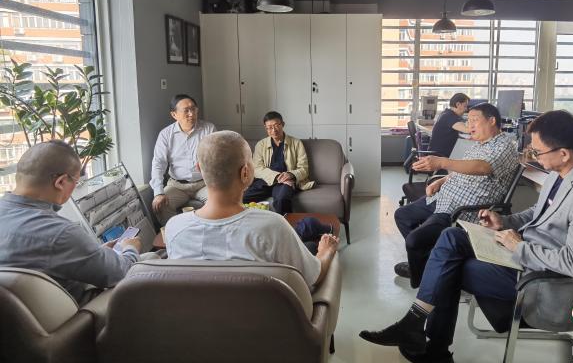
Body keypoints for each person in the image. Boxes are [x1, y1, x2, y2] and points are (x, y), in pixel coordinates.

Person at [360, 110, 573, 363]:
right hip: (524, 255)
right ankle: (415, 325)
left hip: (543, 281)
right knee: (452, 237)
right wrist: (504, 221)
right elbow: (537, 212)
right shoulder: (560, 173)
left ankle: (430, 343)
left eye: (537, 152)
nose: (533, 157)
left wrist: (518, 247)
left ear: (563, 153)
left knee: (449, 268)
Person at [165, 131, 338, 288]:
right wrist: (326, 251)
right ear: (245, 173)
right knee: (313, 247)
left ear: (199, 169)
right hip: (265, 312)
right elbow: (315, 276)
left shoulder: (174, 228)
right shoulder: (273, 225)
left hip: (199, 313)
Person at [394, 103, 519, 288]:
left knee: (414, 241)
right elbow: (463, 169)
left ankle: (421, 276)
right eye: (468, 121)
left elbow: (482, 167)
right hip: (444, 197)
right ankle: (427, 262)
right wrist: (440, 181)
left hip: (460, 208)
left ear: (492, 121)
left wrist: (442, 162)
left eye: (475, 120)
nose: (470, 125)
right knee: (402, 215)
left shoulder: (504, 146)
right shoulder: (479, 144)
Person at [0, 141, 142, 304]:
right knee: (150, 259)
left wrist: (93, 253)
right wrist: (131, 248)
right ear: (61, 182)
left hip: (17, 316)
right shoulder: (61, 233)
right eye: (76, 182)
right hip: (77, 314)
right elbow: (123, 274)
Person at [150, 94, 216, 225]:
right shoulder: (165, 134)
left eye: (193, 109)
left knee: (219, 203)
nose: (191, 114)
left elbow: (217, 158)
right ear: (174, 114)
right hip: (177, 185)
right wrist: (158, 193)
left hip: (204, 183)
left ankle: (207, 234)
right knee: (161, 205)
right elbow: (158, 164)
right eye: (186, 110)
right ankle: (176, 234)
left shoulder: (209, 129)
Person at [243, 111, 313, 215]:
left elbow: (304, 169)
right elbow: (257, 169)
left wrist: (290, 175)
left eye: (276, 125)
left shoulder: (296, 143)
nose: (274, 130)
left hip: (286, 181)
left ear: (283, 124)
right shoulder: (261, 145)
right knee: (242, 198)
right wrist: (277, 177)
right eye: (269, 127)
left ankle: (285, 224)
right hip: (265, 180)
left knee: (282, 199)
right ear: (266, 128)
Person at [427, 93, 470, 158]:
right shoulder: (450, 116)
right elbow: (467, 130)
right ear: (458, 104)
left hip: (438, 154)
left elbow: (450, 135)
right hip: (439, 156)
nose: (466, 109)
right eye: (465, 106)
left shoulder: (446, 113)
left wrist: (464, 138)